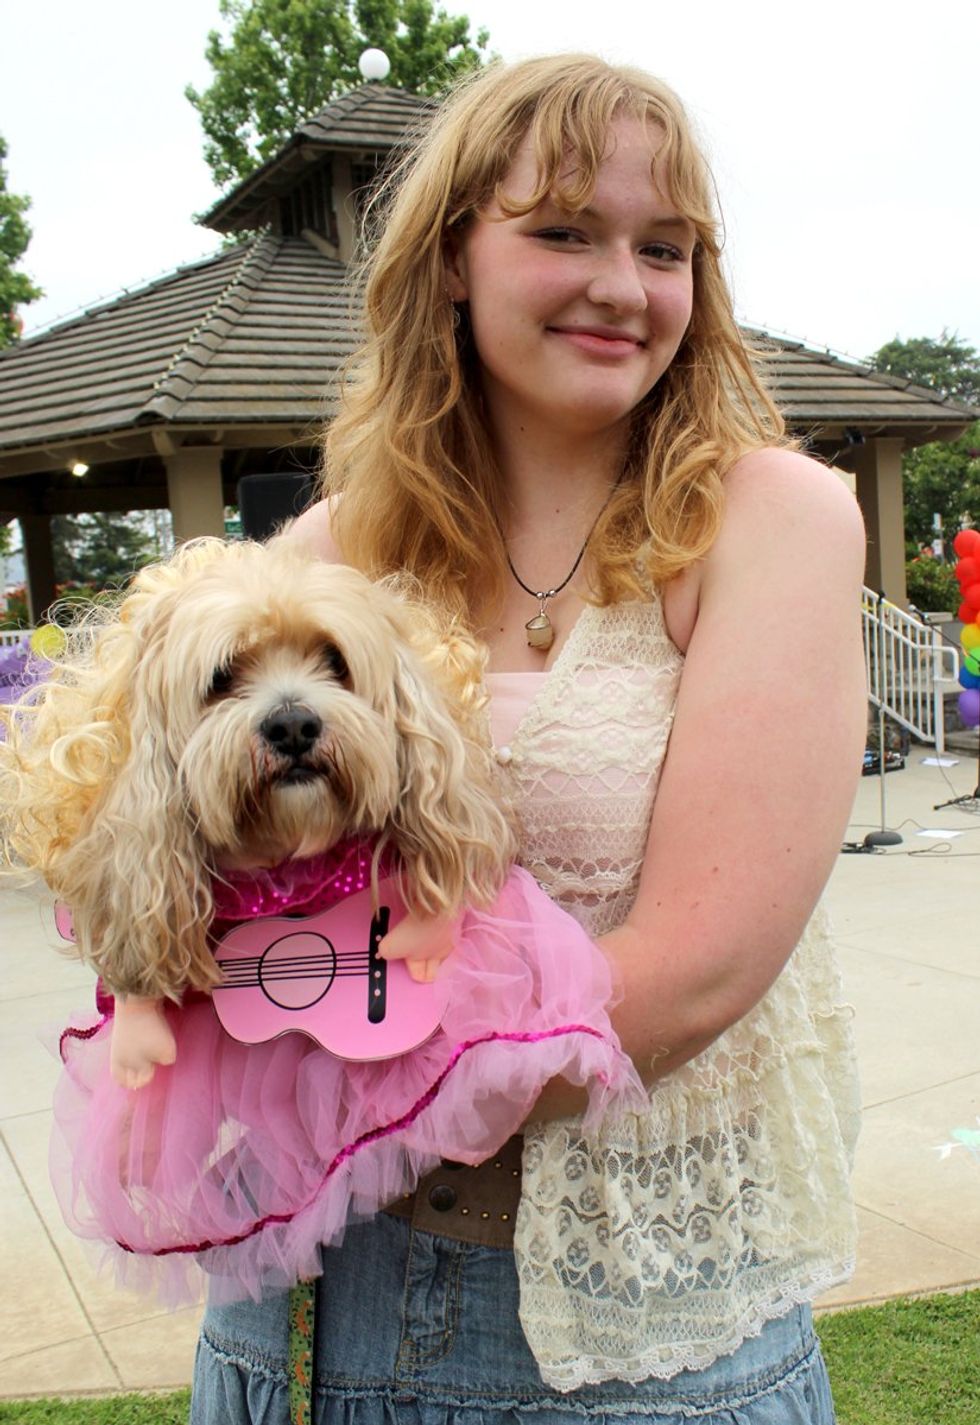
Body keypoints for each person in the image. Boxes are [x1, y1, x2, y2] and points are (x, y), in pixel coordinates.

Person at [192, 53, 866, 1423]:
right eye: (564, 230)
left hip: (631, 1345)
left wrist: (322, 1055)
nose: (624, 284)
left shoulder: (772, 524)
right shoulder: (329, 553)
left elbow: (696, 963)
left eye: (664, 248)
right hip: (304, 1309)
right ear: (452, 257)